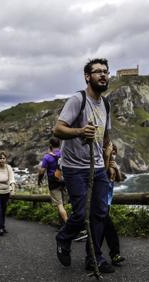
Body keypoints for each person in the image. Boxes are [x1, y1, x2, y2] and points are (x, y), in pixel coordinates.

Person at [54, 58, 114, 274]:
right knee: (80, 214)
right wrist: (80, 131)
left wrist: (111, 161)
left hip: (97, 166)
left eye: (106, 72)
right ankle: (63, 237)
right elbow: (58, 130)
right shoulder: (77, 100)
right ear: (88, 77)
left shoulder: (106, 104)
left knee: (100, 213)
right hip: (73, 167)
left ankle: (94, 258)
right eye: (98, 71)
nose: (103, 75)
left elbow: (106, 137)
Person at [102, 142, 125, 266]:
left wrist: (116, 168)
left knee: (101, 230)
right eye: (112, 152)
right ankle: (115, 254)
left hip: (107, 202)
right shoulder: (102, 164)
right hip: (101, 202)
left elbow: (119, 179)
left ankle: (93, 255)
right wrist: (106, 160)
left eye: (115, 153)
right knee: (110, 229)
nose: (114, 155)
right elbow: (101, 176)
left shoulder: (113, 165)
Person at [38, 137, 69, 226]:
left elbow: (42, 171)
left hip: (53, 181)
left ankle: (67, 225)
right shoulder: (63, 154)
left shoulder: (47, 157)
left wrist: (39, 180)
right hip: (64, 180)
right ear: (59, 144)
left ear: (50, 145)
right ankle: (62, 224)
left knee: (59, 204)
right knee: (63, 204)